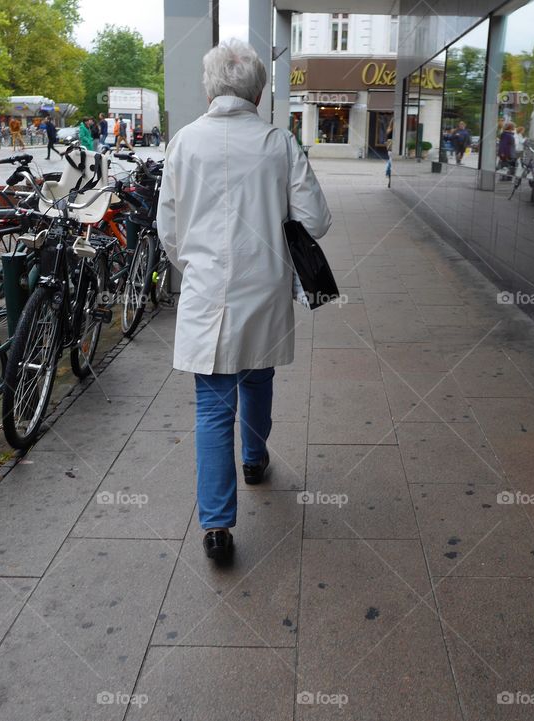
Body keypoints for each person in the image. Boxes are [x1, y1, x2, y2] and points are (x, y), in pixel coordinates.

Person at [156, 39, 332, 563]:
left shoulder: (183, 143)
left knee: (212, 407)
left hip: (209, 294)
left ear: (210, 88)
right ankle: (255, 461)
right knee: (258, 373)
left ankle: (216, 527)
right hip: (265, 289)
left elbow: (168, 229)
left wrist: (196, 267)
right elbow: (317, 220)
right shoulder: (279, 143)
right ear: (258, 90)